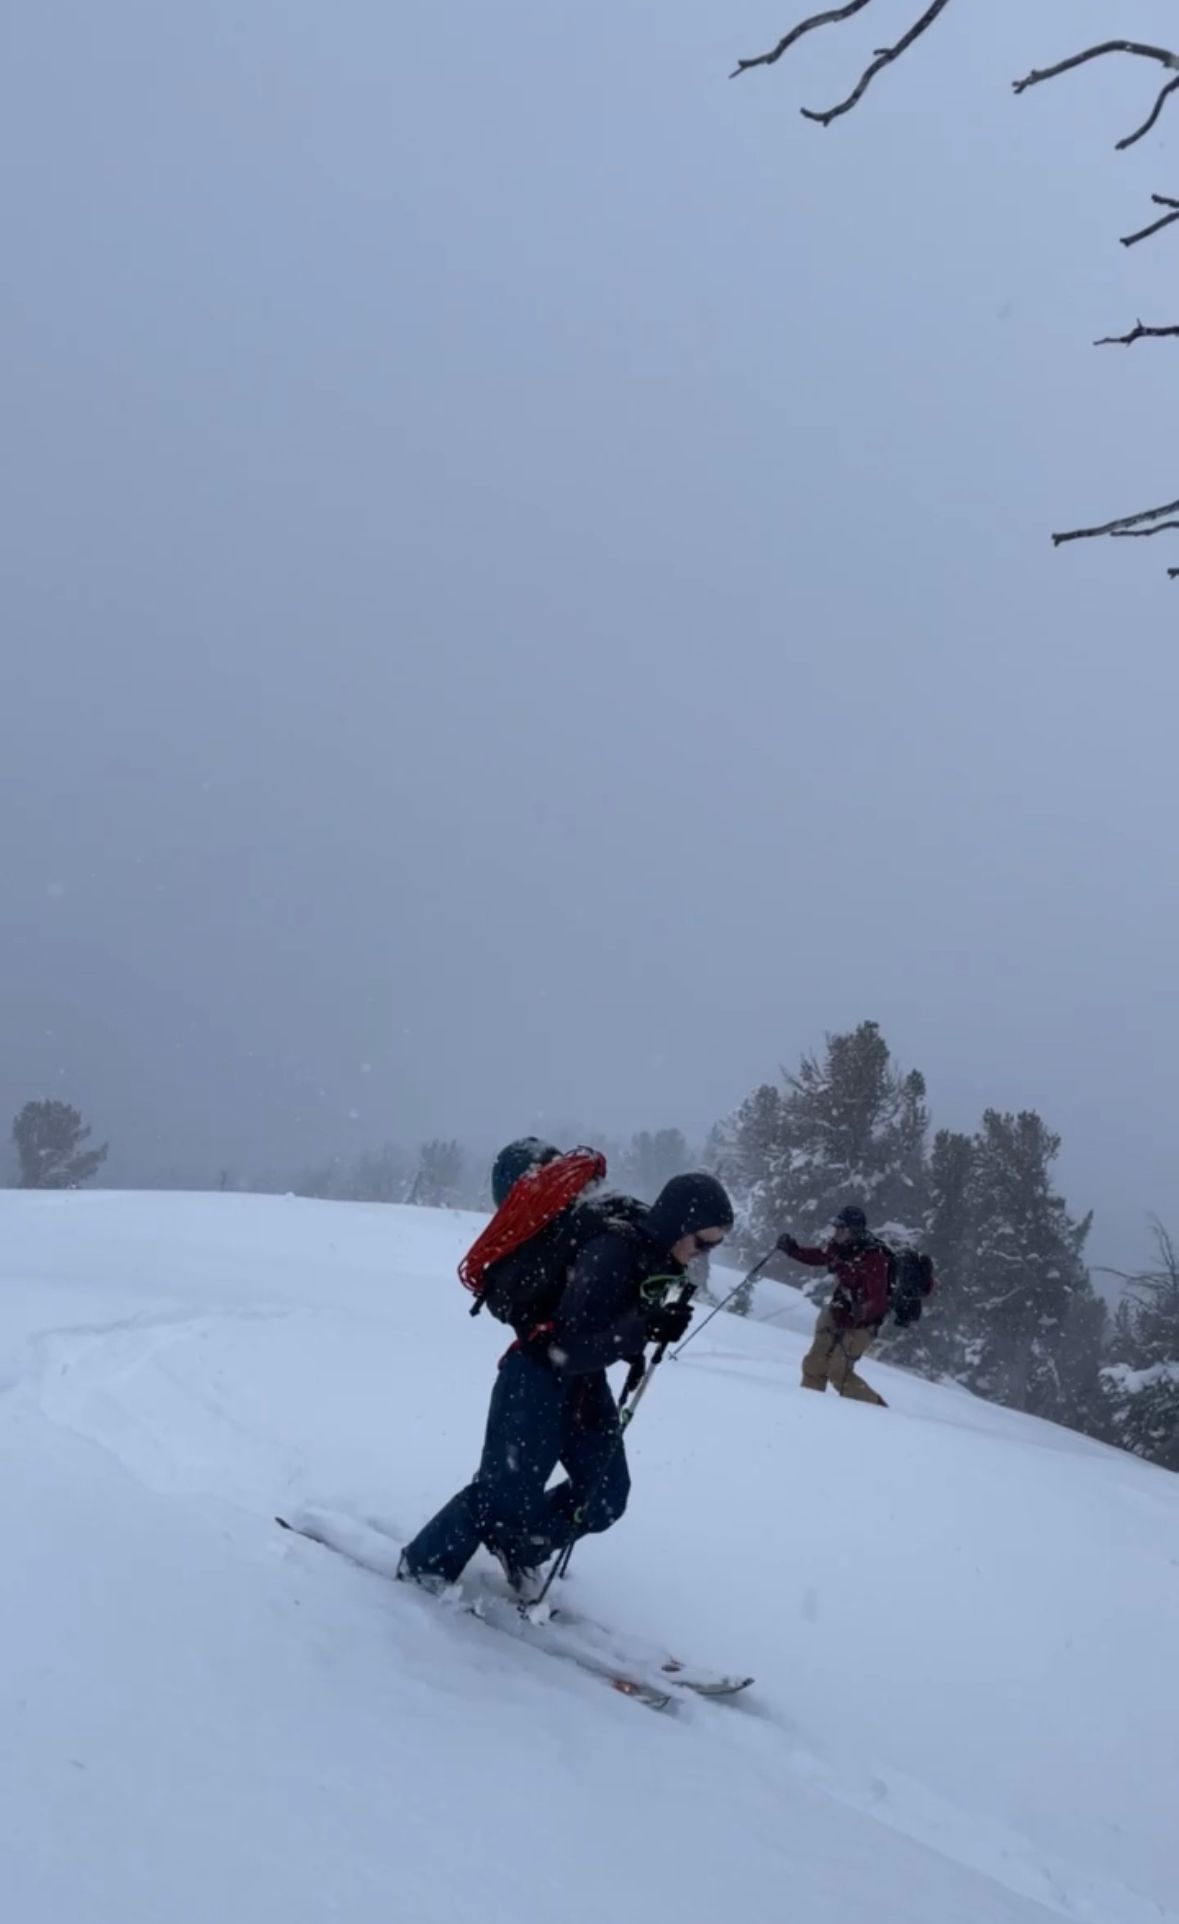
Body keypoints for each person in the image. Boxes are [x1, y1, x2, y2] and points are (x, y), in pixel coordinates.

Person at [398, 1169, 735, 1597]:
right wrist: (642, 1326)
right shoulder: (611, 1252)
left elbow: (605, 1338)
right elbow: (568, 1347)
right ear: (679, 1224)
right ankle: (424, 1565)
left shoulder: (654, 1257)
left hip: (583, 1386)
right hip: (536, 1377)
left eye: (715, 1245)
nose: (703, 1254)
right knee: (503, 1494)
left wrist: (650, 1330)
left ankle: (520, 1546)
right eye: (702, 1241)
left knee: (605, 1495)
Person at [777, 1204, 890, 1407]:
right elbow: (819, 1256)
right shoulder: (840, 1248)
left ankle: (878, 1411)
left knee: (839, 1373)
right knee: (814, 1364)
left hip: (862, 1324)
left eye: (841, 1228)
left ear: (854, 1231)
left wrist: (862, 1310)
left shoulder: (874, 1257)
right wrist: (792, 1250)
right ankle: (808, 1406)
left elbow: (878, 1300)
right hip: (838, 1311)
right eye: (836, 1227)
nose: (836, 1232)